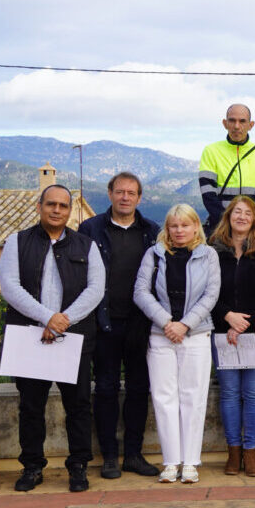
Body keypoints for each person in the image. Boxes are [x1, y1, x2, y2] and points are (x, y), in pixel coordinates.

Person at [0, 184, 105, 492]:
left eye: (63, 206)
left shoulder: (87, 245)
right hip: (30, 337)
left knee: (78, 406)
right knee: (31, 406)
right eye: (51, 204)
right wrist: (47, 317)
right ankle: (32, 467)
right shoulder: (16, 242)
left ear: (70, 211)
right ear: (39, 206)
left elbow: (96, 290)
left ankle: (78, 466)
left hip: (72, 337)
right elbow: (10, 287)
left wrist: (62, 321)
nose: (57, 210)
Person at [78, 172, 161, 480]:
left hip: (141, 323)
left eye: (131, 193)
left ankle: (134, 455)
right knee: (106, 389)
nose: (125, 197)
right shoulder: (90, 228)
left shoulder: (151, 231)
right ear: (110, 194)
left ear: (139, 198)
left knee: (140, 389)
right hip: (104, 322)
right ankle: (110, 456)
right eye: (120, 192)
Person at [133, 204, 221, 485]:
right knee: (163, 398)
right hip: (161, 336)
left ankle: (191, 463)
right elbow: (141, 292)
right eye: (174, 225)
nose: (179, 230)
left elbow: (211, 295)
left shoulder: (209, 256)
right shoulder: (154, 254)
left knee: (193, 398)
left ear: (196, 227)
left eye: (185, 225)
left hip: (196, 335)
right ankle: (171, 462)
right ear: (167, 229)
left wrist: (185, 325)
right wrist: (166, 322)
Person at [208, 195, 255, 477]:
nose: (241, 217)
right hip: (222, 330)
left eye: (247, 213)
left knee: (252, 393)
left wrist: (242, 323)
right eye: (236, 212)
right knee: (228, 393)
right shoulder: (213, 250)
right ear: (228, 216)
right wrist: (228, 317)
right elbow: (207, 291)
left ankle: (251, 451)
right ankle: (233, 451)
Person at [198, 103, 255, 234]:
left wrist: (254, 221)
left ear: (251, 125)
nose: (236, 126)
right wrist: (225, 222)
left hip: (254, 229)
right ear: (225, 123)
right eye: (232, 120)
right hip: (221, 229)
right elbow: (208, 193)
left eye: (242, 121)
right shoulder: (211, 151)